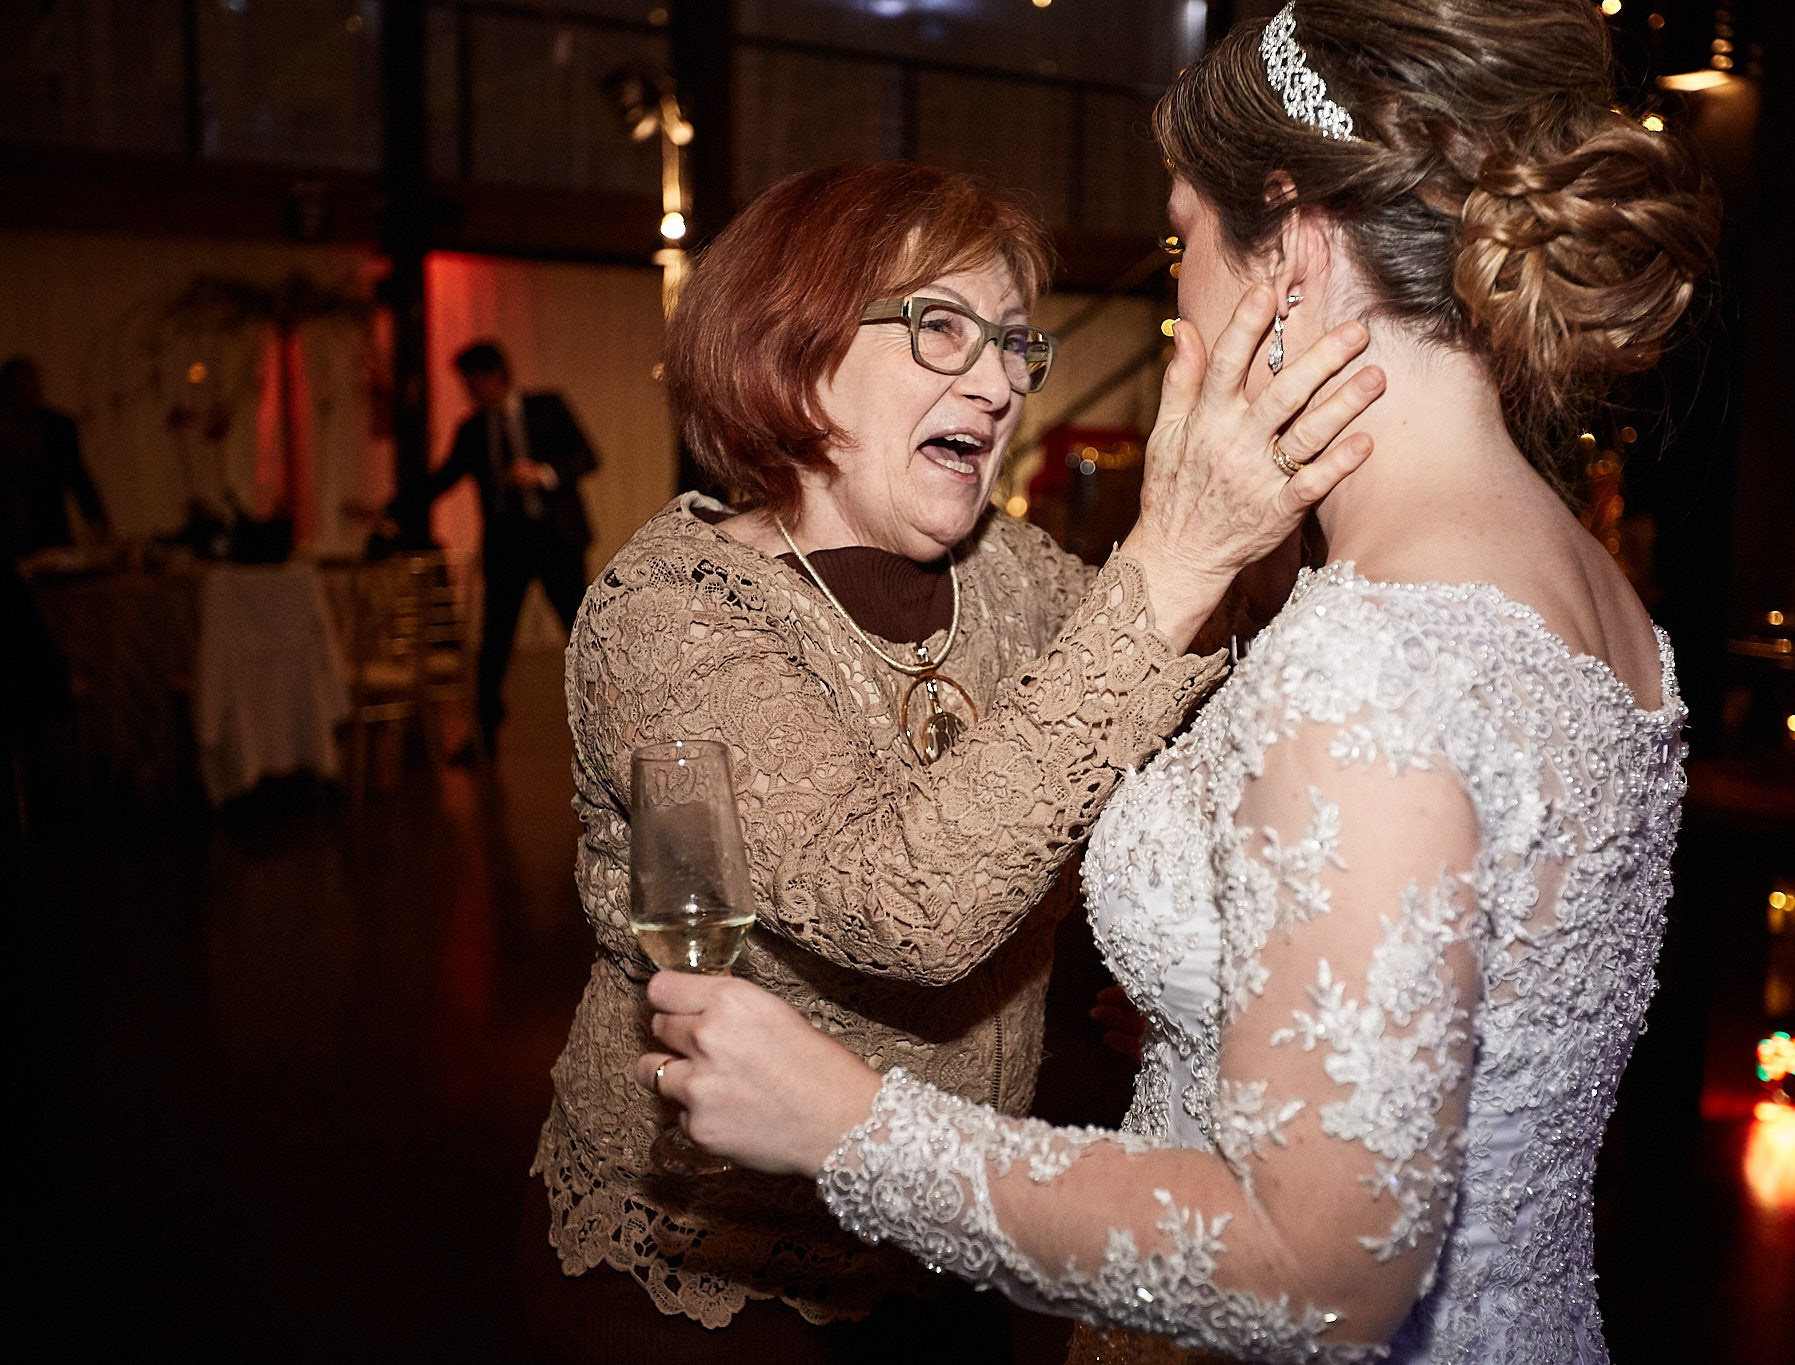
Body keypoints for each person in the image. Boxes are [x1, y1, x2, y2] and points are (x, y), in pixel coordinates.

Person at [637, 4, 1718, 1361]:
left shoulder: (1368, 655)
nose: (1175, 298)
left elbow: (1319, 1270)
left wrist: (848, 1124)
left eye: (1181, 243)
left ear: (1298, 253)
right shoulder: (1592, 586)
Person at [524, 161, 1383, 1362]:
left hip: (957, 1231)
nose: (996, 382)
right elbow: (908, 906)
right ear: (796, 347)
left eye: (1015, 344)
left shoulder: (1016, 575)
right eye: (940, 328)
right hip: (718, 1262)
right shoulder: (672, 615)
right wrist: (1175, 562)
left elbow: (1192, 722)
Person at [405, 342, 597, 759]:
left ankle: (610, 722)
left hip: (556, 541)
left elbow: (587, 456)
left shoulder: (546, 407)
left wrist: (543, 474)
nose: (470, 392)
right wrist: (391, 507)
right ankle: (484, 733)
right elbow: (442, 479)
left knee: (583, 633)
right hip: (508, 547)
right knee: (494, 642)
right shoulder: (473, 429)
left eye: (473, 382)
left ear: (495, 374)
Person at [1, 356, 108, 558]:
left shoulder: (57, 427)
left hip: (52, 530)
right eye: (22, 391)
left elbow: (78, 476)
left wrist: (95, 520)